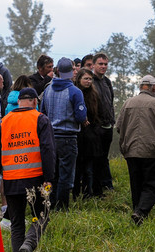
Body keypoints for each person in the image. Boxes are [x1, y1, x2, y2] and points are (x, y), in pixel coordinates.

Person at [0, 87, 56, 252]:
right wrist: (49, 177)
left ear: (19, 102)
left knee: (16, 223)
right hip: (36, 178)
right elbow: (48, 150)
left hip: (11, 181)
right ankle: (29, 243)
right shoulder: (40, 119)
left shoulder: (4, 122)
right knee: (42, 215)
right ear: (35, 101)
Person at [116, 75, 155, 225]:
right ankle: (140, 212)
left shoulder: (128, 102)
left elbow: (118, 126)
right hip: (152, 150)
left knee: (136, 183)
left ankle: (137, 212)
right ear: (154, 87)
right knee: (152, 184)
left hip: (131, 150)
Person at [40, 57, 87, 210]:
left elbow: (42, 114)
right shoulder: (75, 91)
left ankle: (50, 205)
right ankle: (62, 207)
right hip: (68, 138)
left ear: (57, 71)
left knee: (52, 174)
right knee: (66, 175)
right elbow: (80, 117)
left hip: (51, 138)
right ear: (71, 71)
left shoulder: (47, 90)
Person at [73, 68, 102, 199]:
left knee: (88, 169)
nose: (88, 81)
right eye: (86, 78)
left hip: (91, 136)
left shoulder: (94, 95)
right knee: (77, 168)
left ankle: (87, 193)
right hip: (78, 135)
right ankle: (75, 193)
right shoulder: (74, 94)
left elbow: (98, 114)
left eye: (90, 79)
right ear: (79, 79)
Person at [92, 52, 116, 191]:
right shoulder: (90, 81)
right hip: (96, 127)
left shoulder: (107, 81)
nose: (103, 66)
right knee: (96, 158)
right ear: (94, 64)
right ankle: (98, 188)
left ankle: (107, 185)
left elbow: (110, 101)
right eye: (100, 64)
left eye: (105, 64)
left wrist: (112, 121)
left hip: (108, 125)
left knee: (104, 157)